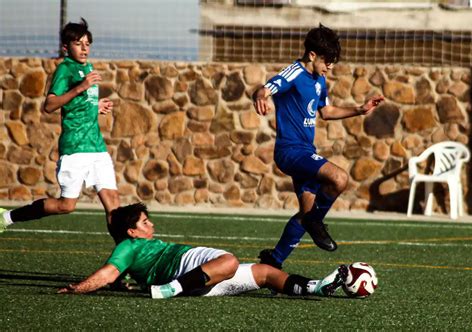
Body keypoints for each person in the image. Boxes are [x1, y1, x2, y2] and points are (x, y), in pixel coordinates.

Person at [252, 24, 384, 269]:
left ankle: (274, 261)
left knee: (306, 212)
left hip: (305, 152)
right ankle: (315, 222)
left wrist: (359, 109)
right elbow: (264, 89)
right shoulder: (293, 72)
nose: (330, 66)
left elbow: (326, 111)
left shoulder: (319, 79)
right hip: (290, 151)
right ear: (312, 55)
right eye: (328, 60)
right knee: (339, 178)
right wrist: (260, 97)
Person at [58, 203, 349, 299]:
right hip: (182, 267)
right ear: (132, 231)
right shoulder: (128, 245)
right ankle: (170, 290)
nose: (151, 225)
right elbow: (109, 274)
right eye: (145, 222)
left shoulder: (136, 241)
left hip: (200, 282)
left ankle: (316, 287)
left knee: (266, 273)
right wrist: (77, 288)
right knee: (230, 260)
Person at [0, 18, 119, 239]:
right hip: (75, 148)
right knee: (66, 205)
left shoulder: (88, 67)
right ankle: (7, 218)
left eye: (87, 43)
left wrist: (96, 105)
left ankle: (123, 264)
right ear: (66, 47)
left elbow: (80, 103)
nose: (84, 48)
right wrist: (81, 87)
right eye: (78, 43)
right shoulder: (65, 69)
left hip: (97, 148)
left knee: (114, 204)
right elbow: (50, 105)